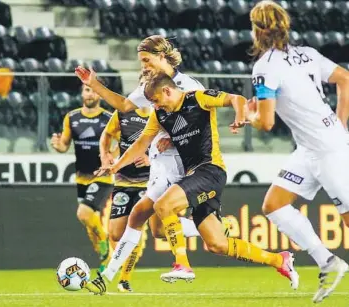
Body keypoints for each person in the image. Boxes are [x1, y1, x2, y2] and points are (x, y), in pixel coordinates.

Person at [86, 72, 300, 295]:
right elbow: (141, 143)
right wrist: (116, 166)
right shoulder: (160, 115)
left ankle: (183, 264)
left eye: (157, 100)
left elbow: (235, 98)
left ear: (168, 91)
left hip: (210, 170)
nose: (155, 106)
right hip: (193, 175)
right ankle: (279, 260)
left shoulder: (199, 98)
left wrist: (239, 116)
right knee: (217, 244)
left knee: (163, 206)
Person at [76, 36, 231, 289]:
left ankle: (107, 277)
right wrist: (94, 84)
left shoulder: (187, 85)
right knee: (156, 229)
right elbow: (125, 105)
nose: (143, 67)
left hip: (181, 164)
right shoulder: (152, 85)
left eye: (146, 61)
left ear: (161, 57)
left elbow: (201, 118)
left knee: (141, 216)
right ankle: (212, 228)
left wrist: (171, 137)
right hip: (160, 164)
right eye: (141, 62)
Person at [247, 1, 349, 304]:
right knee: (275, 205)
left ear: (257, 30)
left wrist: (248, 116)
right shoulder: (307, 53)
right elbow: (345, 78)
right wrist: (340, 122)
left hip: (329, 150)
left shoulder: (264, 67)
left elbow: (264, 122)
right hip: (310, 147)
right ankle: (328, 262)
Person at [51, 84, 113, 272]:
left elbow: (124, 142)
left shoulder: (109, 118)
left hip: (101, 176)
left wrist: (113, 157)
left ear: (100, 94)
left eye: (94, 90)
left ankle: (105, 244)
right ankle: (105, 260)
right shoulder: (72, 117)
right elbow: (64, 145)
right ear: (82, 93)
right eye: (87, 90)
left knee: (83, 213)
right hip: (81, 177)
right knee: (88, 222)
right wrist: (57, 145)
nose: (90, 93)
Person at [99, 88, 151, 292]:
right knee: (114, 233)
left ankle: (124, 278)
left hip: (148, 182)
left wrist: (149, 159)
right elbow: (107, 135)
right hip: (122, 180)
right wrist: (105, 155)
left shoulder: (161, 115)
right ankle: (122, 270)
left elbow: (171, 146)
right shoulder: (123, 112)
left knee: (135, 227)